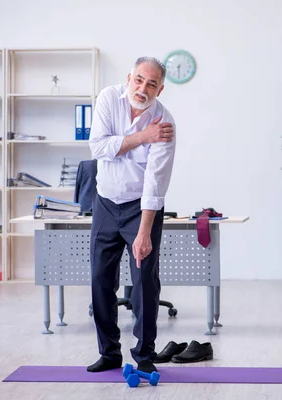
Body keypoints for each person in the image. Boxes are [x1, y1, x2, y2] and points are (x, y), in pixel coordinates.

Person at [86, 56, 176, 374]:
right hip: (106, 203)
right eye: (139, 79)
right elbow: (97, 147)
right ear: (129, 77)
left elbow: (155, 181)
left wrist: (144, 233)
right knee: (99, 279)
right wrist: (141, 138)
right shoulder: (109, 98)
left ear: (160, 89)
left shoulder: (165, 124)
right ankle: (109, 353)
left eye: (151, 83)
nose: (143, 87)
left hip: (142, 208)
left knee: (144, 282)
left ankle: (144, 354)